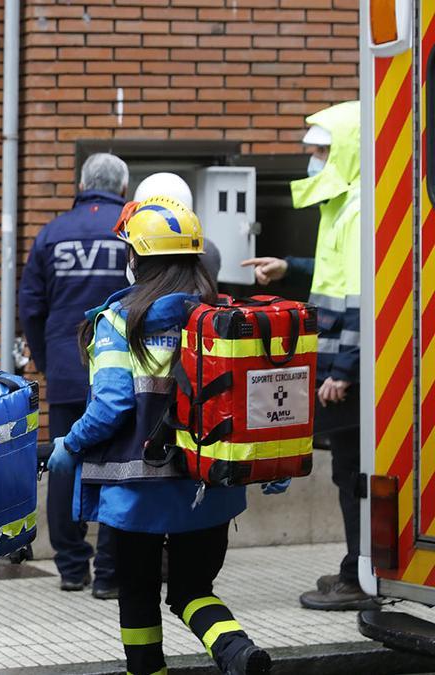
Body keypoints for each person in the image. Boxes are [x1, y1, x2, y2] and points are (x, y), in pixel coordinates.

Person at [48, 197, 287, 675]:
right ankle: (237, 650)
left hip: (137, 497)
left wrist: (68, 446)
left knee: (138, 596)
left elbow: (112, 404)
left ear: (137, 258)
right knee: (193, 591)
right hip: (210, 488)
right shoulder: (222, 316)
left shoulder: (120, 322)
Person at [240, 100, 371, 611]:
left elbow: (367, 296)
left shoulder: (361, 208)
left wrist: (344, 370)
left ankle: (361, 575)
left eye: (320, 151)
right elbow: (334, 275)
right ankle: (355, 567)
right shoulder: (344, 206)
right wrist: (288, 267)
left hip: (353, 376)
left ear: (348, 152)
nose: (312, 161)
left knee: (356, 475)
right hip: (348, 371)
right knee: (348, 473)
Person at [19, 152, 126, 598]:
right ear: (123, 188)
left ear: (82, 184)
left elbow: (31, 305)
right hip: (124, 373)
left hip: (67, 369)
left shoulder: (52, 234)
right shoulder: (132, 229)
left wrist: (47, 361)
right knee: (123, 468)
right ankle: (110, 573)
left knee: (65, 462)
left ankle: (70, 567)